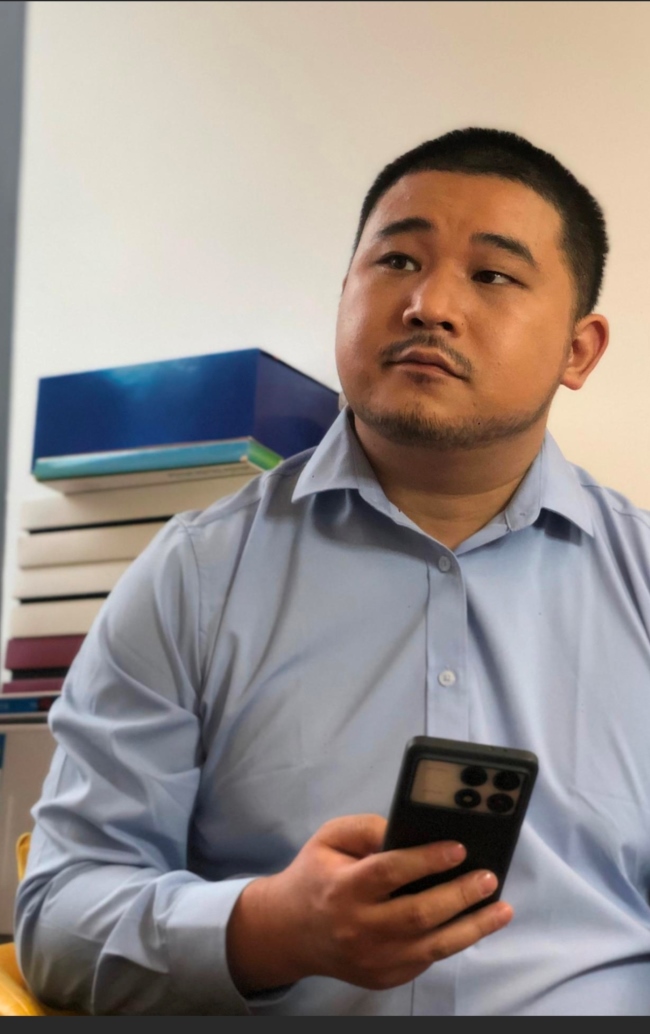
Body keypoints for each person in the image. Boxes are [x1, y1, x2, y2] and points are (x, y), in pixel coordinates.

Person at [14, 127, 650, 1016]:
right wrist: (266, 929)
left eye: (492, 275)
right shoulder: (195, 575)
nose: (429, 305)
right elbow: (56, 918)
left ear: (579, 350)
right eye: (398, 261)